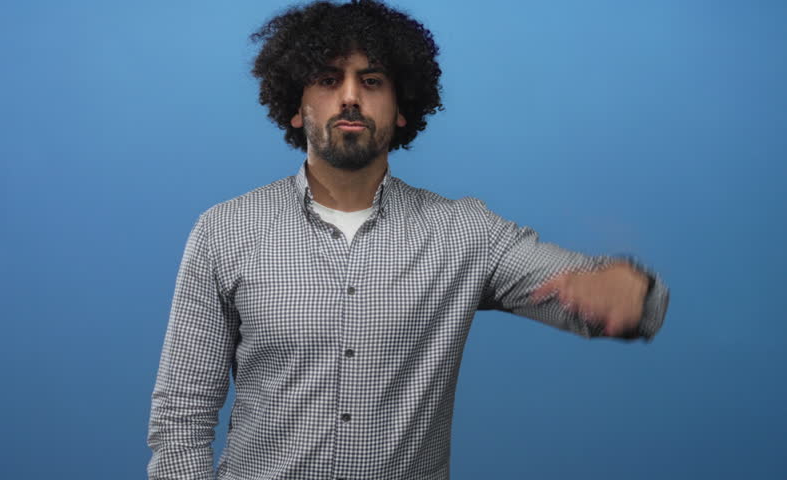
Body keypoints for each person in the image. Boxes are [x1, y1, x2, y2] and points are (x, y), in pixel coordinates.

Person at [146, 1, 671, 479]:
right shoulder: (225, 231)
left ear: (401, 109)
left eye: (371, 81)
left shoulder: (466, 233)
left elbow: (612, 302)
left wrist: (631, 292)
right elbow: (180, 420)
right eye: (328, 80)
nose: (350, 97)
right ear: (295, 106)